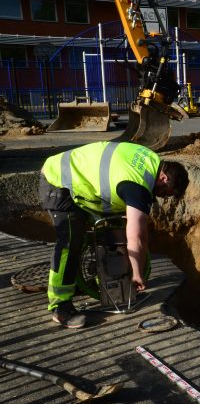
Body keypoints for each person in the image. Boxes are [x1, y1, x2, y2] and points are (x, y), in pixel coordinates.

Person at [39, 141, 189, 329]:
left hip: (81, 178)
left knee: (108, 228)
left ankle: (88, 281)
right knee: (70, 240)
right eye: (165, 193)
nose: (161, 197)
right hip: (58, 180)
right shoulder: (138, 186)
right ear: (164, 178)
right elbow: (137, 236)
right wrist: (137, 273)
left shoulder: (150, 159)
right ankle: (60, 306)